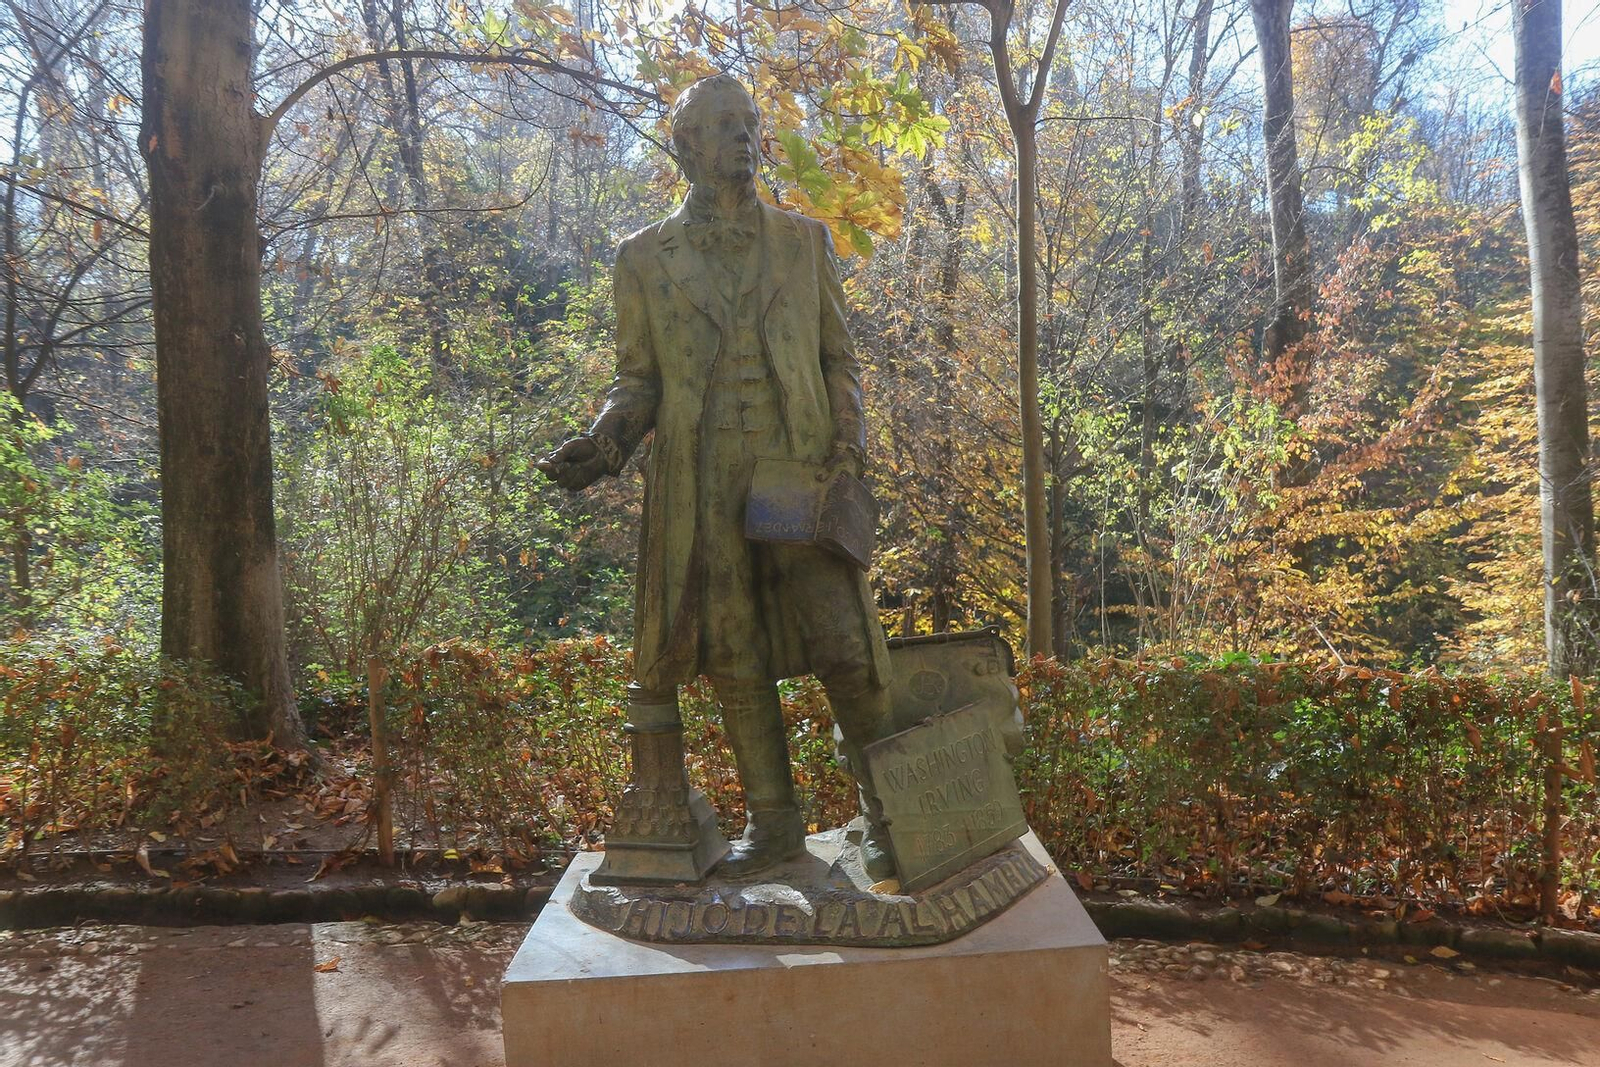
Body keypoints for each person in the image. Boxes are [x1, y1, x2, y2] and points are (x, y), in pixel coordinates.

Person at [537, 75, 896, 880]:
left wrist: (849, 449)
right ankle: (774, 826)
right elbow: (637, 380)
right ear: (686, 145)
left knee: (844, 644)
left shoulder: (804, 242)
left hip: (801, 471)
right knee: (735, 654)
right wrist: (603, 443)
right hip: (702, 481)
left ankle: (891, 814)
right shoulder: (642, 257)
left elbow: (839, 361)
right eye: (725, 124)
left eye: (750, 122)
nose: (744, 136)